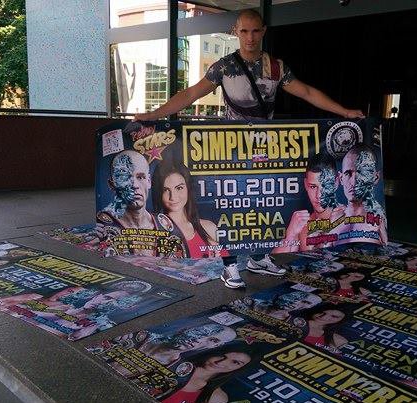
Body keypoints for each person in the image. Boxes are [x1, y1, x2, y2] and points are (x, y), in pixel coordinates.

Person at [133, 9, 364, 288]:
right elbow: (191, 93)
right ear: (236, 32)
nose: (250, 37)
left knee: (263, 202)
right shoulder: (224, 67)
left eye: (255, 31)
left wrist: (344, 112)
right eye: (244, 31)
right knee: (229, 205)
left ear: (263, 31)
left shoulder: (276, 68)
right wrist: (154, 114)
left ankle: (258, 257)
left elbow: (306, 92)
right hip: (229, 149)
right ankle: (230, 265)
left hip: (265, 150)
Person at [152, 161, 228, 258]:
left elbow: (229, 265)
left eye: (179, 188)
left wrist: (216, 262)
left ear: (188, 188)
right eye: (166, 190)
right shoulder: (152, 230)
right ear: (158, 192)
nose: (173, 197)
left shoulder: (209, 228)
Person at [274, 153, 345, 253]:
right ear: (305, 184)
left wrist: (332, 229)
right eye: (313, 187)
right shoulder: (302, 225)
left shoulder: (350, 219)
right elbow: (274, 261)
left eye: (325, 186)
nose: (319, 195)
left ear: (336, 183)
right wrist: (290, 235)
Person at [97, 149, 158, 255]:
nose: (134, 185)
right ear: (112, 185)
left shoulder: (165, 226)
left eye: (140, 177)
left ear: (149, 182)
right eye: (125, 178)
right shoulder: (102, 226)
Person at [161, 347, 256, 403]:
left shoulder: (217, 397)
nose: (221, 362)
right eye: (222, 355)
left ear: (240, 368)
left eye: (235, 362)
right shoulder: (172, 360)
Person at [337, 144, 388, 245]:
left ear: (375, 177)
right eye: (348, 173)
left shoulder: (378, 221)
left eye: (362, 173)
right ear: (341, 178)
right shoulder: (335, 217)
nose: (354, 182)